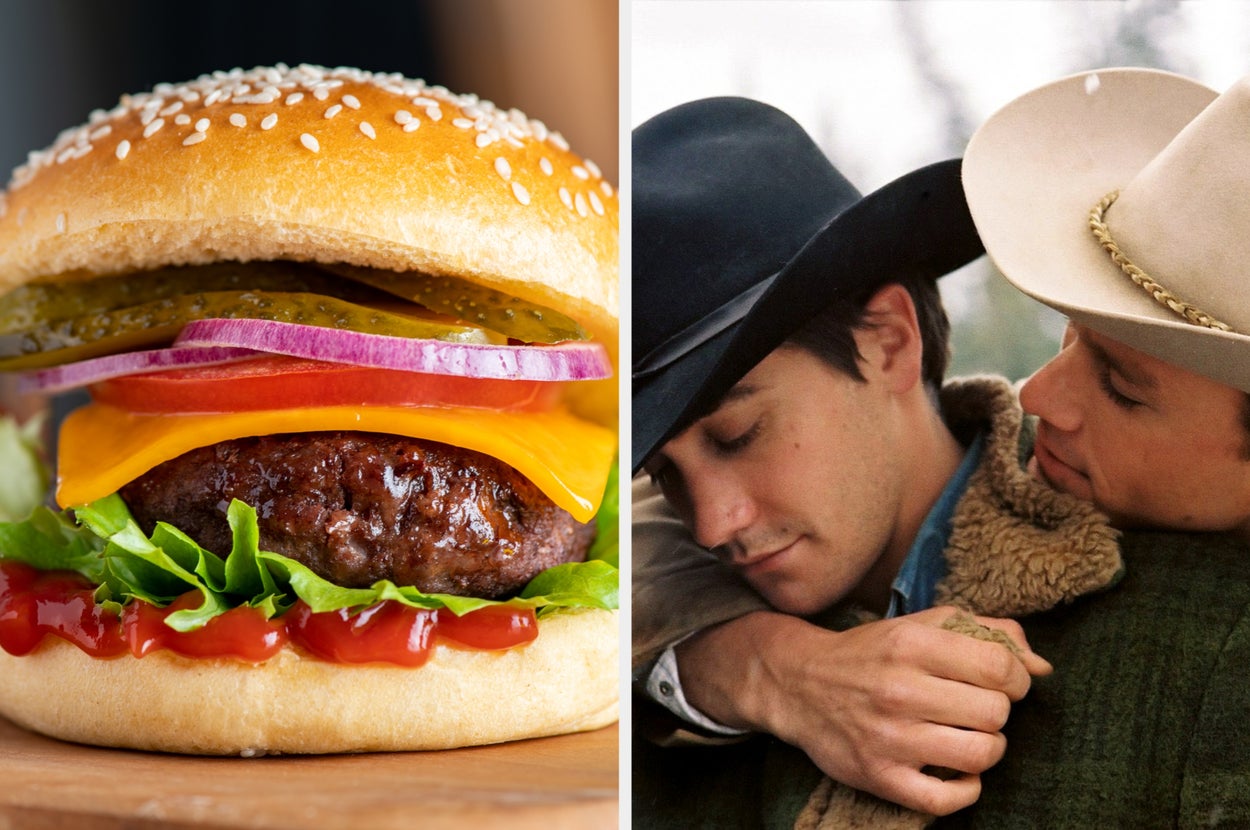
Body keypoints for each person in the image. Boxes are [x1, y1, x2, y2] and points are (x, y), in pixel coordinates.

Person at [630, 97, 1123, 827]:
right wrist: (767, 670)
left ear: (889, 342)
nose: (710, 524)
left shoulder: (1162, 590)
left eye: (738, 434)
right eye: (664, 473)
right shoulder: (658, 637)